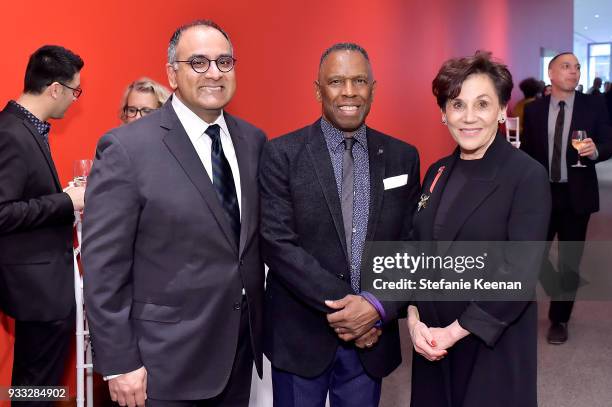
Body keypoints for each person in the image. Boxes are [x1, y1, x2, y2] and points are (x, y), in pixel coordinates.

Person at [82, 20, 266, 407]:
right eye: (198, 62)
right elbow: (104, 268)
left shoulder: (253, 141)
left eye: (224, 61)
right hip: (162, 364)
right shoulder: (127, 149)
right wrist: (119, 364)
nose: (214, 72)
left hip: (238, 353)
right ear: (173, 73)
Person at [259, 43, 420, 407]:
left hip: (371, 339)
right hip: (302, 334)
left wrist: (375, 309)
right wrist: (352, 310)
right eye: (336, 81)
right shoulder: (281, 154)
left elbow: (411, 244)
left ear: (373, 89)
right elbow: (278, 244)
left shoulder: (402, 157)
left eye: (359, 80)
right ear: (318, 90)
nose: (349, 92)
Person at [407, 51, 551, 407]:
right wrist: (413, 322)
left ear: (502, 110)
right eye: (457, 105)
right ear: (443, 114)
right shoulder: (436, 171)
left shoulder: (526, 175)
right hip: (432, 341)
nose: (469, 117)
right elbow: (414, 251)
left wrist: (452, 333)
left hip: (490, 342)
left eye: (482, 104)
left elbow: (518, 273)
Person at [0, 45, 84, 404]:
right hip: (37, 292)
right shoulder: (12, 133)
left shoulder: (25, 128)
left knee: (35, 387)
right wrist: (67, 201)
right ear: (55, 89)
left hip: (42, 289)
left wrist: (63, 196)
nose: (74, 100)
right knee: (35, 389)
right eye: (75, 91)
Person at [522, 52, 612, 344]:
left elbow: (608, 141)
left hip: (577, 195)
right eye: (566, 66)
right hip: (541, 195)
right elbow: (528, 152)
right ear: (551, 73)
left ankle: (559, 319)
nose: (574, 72)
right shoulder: (534, 111)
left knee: (570, 260)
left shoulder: (593, 104)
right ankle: (521, 310)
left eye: (577, 67)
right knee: (532, 254)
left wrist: (595, 151)